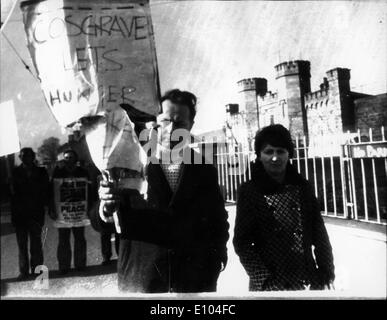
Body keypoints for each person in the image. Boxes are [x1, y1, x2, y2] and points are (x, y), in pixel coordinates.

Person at [93, 89, 229, 293]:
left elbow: (218, 221)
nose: (172, 129)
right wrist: (106, 207)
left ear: (190, 126)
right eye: (165, 121)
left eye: (180, 123)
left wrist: (217, 259)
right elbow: (98, 221)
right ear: (155, 122)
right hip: (144, 280)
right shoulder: (129, 163)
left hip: (194, 281)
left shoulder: (204, 169)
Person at [233, 124, 335, 291]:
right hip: (270, 283)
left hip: (307, 279)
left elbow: (320, 234)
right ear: (259, 156)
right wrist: (263, 279)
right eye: (268, 152)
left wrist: (326, 271)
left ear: (289, 154)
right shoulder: (250, 191)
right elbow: (241, 243)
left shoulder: (303, 187)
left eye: (280, 151)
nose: (275, 158)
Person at [10, 147, 49, 280]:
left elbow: (46, 192)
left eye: (29, 156)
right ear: (20, 158)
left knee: (36, 244)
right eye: (23, 156)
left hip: (36, 214)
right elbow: (11, 196)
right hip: (20, 215)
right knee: (22, 246)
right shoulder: (15, 173)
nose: (26, 158)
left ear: (33, 157)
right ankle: (24, 272)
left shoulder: (42, 171)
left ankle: (37, 270)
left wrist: (47, 207)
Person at [50, 149, 90, 274]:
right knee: (63, 240)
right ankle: (64, 266)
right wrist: (52, 208)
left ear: (76, 159)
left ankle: (80, 265)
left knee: (80, 238)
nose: (69, 160)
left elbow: (89, 190)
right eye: (66, 158)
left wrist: (89, 207)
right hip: (63, 213)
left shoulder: (83, 172)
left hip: (79, 212)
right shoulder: (58, 173)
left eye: (71, 157)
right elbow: (52, 192)